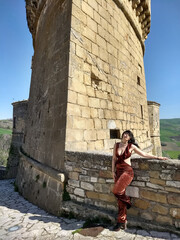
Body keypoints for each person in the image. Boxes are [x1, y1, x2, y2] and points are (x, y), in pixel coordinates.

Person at [112, 130, 168, 231]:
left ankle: (128, 201)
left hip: (127, 172)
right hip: (118, 172)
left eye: (128, 135)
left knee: (116, 192)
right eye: (125, 133)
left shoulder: (131, 146)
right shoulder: (116, 145)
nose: (126, 135)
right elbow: (113, 159)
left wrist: (157, 157)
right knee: (120, 199)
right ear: (122, 135)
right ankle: (121, 222)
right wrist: (112, 171)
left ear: (130, 138)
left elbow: (144, 154)